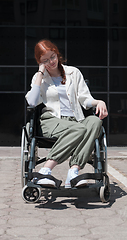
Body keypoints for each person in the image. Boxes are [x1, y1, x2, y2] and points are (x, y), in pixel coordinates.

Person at [25, 39, 108, 188]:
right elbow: (31, 102)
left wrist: (98, 102)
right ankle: (45, 171)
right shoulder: (40, 79)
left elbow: (85, 98)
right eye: (45, 60)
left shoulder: (73, 72)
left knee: (95, 122)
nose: (51, 62)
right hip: (51, 120)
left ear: (57, 53)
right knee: (79, 129)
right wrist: (39, 73)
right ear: (40, 62)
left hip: (75, 120)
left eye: (53, 56)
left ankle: (73, 173)